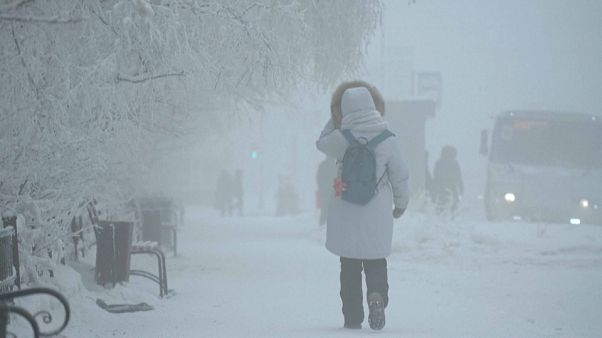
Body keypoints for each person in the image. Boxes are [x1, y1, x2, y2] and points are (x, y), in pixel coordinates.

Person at [316, 81, 409, 331]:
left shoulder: (340, 138)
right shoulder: (388, 139)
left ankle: (352, 317)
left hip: (346, 206)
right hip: (376, 211)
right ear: (373, 106)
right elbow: (400, 175)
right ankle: (377, 295)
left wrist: (335, 119)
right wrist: (400, 204)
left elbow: (320, 142)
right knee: (376, 259)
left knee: (349, 264)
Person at [431, 145, 464, 214]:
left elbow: (435, 175)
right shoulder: (455, 163)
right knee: (453, 202)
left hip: (440, 187)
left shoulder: (439, 163)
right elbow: (459, 177)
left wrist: (433, 195)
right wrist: (461, 188)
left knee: (441, 203)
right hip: (452, 186)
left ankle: (440, 211)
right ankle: (453, 210)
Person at [316, 156, 337, 227]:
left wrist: (322, 187)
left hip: (325, 190)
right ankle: (329, 224)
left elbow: (319, 178)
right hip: (332, 190)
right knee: (332, 208)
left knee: (324, 208)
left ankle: (322, 224)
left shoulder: (322, 165)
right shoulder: (335, 166)